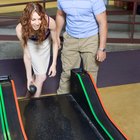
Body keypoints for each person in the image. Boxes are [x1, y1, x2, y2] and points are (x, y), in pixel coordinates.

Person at [56, 0, 108, 94]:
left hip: (90, 39)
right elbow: (60, 14)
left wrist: (102, 48)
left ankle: (90, 102)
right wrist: (56, 34)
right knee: (67, 73)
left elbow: (102, 22)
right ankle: (62, 100)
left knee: (90, 74)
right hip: (70, 38)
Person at [16, 2, 58, 97]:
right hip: (31, 44)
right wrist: (29, 78)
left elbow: (55, 42)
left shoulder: (49, 22)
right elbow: (27, 55)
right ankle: (35, 105)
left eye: (39, 18)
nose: (37, 22)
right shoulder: (20, 29)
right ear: (27, 19)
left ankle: (27, 99)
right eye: (33, 19)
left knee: (38, 74)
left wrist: (54, 64)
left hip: (45, 43)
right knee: (41, 76)